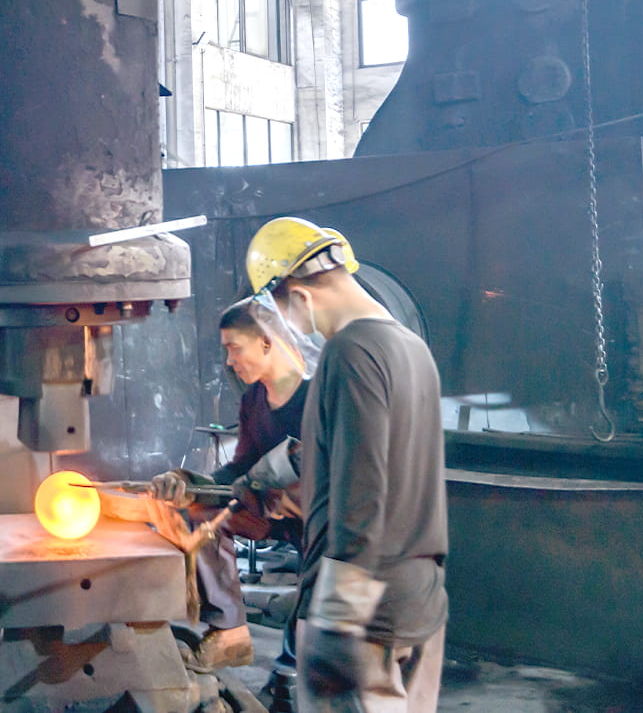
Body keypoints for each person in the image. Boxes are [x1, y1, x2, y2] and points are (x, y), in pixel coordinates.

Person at [245, 216, 447, 713]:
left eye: (278, 309)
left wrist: (337, 620)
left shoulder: (350, 352)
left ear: (298, 293)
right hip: (420, 598)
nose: (287, 323)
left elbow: (362, 494)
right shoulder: (412, 347)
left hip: (365, 616)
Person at [148, 297, 309, 671]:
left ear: (266, 343)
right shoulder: (253, 399)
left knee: (309, 640)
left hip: (321, 523)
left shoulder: (317, 397)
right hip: (269, 513)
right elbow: (241, 467)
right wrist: (191, 483)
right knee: (199, 513)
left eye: (235, 349)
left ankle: (297, 666)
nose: (229, 361)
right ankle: (229, 634)